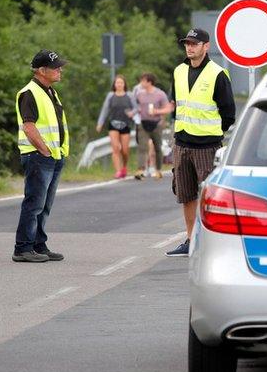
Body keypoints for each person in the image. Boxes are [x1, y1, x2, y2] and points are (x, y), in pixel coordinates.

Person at [154, 28, 235, 257]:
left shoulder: (217, 73)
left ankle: (213, 241)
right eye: (187, 43)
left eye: (194, 43)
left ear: (206, 46)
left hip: (207, 144)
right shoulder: (179, 71)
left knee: (211, 196)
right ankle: (191, 240)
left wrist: (213, 133)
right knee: (185, 194)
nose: (190, 47)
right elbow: (177, 104)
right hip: (182, 142)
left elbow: (228, 113)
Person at [13, 50, 69, 263]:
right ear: (41, 70)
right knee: (34, 203)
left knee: (44, 204)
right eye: (56, 67)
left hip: (53, 156)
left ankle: (38, 245)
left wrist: (57, 152)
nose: (60, 70)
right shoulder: (29, 93)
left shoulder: (50, 91)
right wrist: (44, 150)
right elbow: (29, 127)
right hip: (39, 155)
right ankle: (23, 248)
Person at [96, 75, 136, 178]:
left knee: (125, 150)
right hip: (113, 124)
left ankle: (124, 167)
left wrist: (132, 113)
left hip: (126, 124)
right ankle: (118, 171)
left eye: (121, 83)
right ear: (114, 85)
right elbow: (105, 110)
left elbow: (137, 108)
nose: (119, 85)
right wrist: (100, 123)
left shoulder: (129, 95)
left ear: (124, 84)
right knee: (115, 148)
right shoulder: (110, 95)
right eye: (117, 83)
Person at [132, 73, 169, 179]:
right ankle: (141, 170)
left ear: (149, 82)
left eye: (143, 81)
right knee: (142, 147)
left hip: (156, 124)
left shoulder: (160, 94)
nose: (141, 83)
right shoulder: (139, 94)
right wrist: (135, 111)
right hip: (143, 123)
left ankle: (158, 169)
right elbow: (135, 105)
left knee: (157, 147)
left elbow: (167, 108)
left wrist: (157, 111)